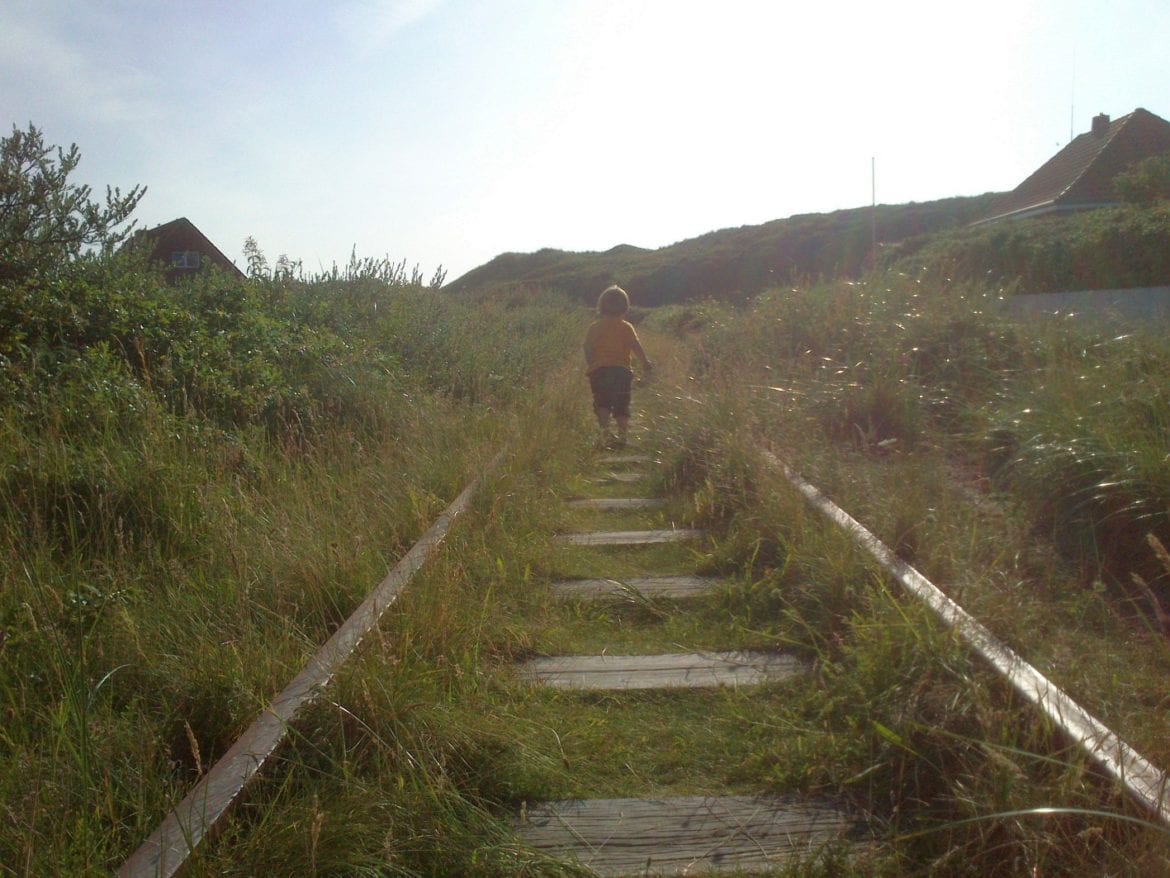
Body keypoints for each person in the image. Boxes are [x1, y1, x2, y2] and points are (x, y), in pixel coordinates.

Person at [583, 285, 652, 449]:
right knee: (622, 403)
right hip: (622, 371)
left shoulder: (595, 327)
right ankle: (622, 436)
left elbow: (587, 347)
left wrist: (592, 363)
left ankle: (604, 433)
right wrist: (645, 363)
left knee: (602, 402)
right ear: (625, 306)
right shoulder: (626, 327)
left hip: (599, 371)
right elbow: (636, 346)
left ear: (601, 305)